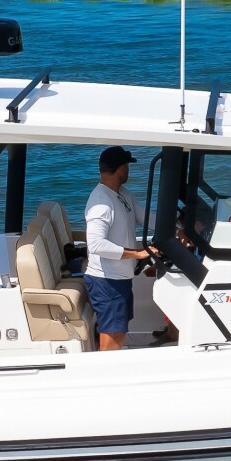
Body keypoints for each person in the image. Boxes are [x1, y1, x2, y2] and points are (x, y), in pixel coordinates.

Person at [84, 146, 148, 351]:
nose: (128, 170)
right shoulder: (101, 203)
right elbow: (96, 244)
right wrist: (137, 254)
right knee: (112, 338)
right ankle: (105, 369)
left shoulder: (122, 193)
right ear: (121, 168)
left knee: (118, 334)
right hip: (107, 282)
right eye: (127, 165)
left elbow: (145, 218)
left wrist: (178, 227)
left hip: (120, 279)